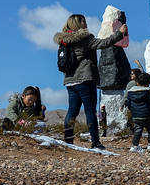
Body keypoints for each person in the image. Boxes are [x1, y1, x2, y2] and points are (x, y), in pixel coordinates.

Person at [53, 13, 126, 150]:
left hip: (70, 81)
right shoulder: (85, 38)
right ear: (78, 23)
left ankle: (68, 140)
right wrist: (119, 33)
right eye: (83, 21)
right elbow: (104, 43)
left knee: (72, 112)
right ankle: (95, 142)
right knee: (90, 111)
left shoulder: (64, 41)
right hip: (85, 79)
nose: (86, 23)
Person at [126, 72, 150, 152]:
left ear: (137, 82)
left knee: (137, 131)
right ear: (149, 83)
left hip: (135, 116)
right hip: (146, 115)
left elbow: (128, 104)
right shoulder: (148, 92)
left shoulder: (130, 93)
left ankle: (135, 146)